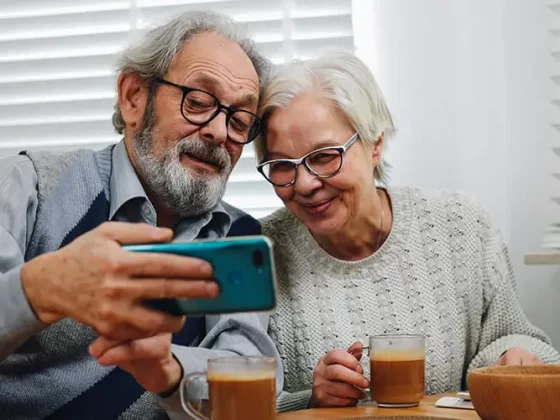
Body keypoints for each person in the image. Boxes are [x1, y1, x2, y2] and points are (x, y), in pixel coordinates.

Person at [0, 11, 283, 419]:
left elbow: (254, 380)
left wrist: (170, 371)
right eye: (199, 101)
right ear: (134, 97)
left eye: (239, 120)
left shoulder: (236, 237)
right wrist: (40, 289)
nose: (220, 132)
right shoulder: (29, 186)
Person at [254, 50, 560, 412]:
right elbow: (234, 403)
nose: (303, 184)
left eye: (324, 157)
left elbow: (514, 334)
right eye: (281, 165)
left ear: (376, 144)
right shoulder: (260, 254)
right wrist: (311, 399)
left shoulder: (461, 226)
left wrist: (514, 356)